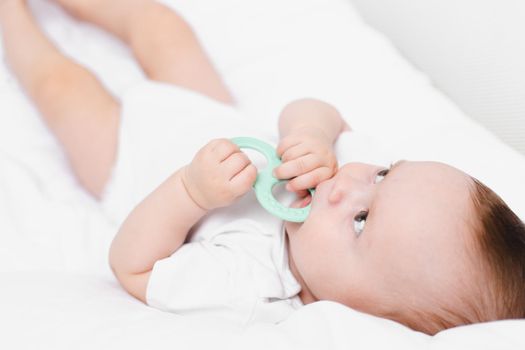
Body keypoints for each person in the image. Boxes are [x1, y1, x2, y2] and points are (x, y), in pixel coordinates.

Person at [1, 0, 524, 336]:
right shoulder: (341, 174)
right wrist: (312, 134)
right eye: (387, 173)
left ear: (352, 310)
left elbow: (132, 266)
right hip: (210, 112)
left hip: (128, 156)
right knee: (163, 26)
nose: (348, 187)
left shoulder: (251, 283)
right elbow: (319, 110)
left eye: (361, 223)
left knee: (62, 85)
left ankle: (12, 18)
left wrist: (190, 191)